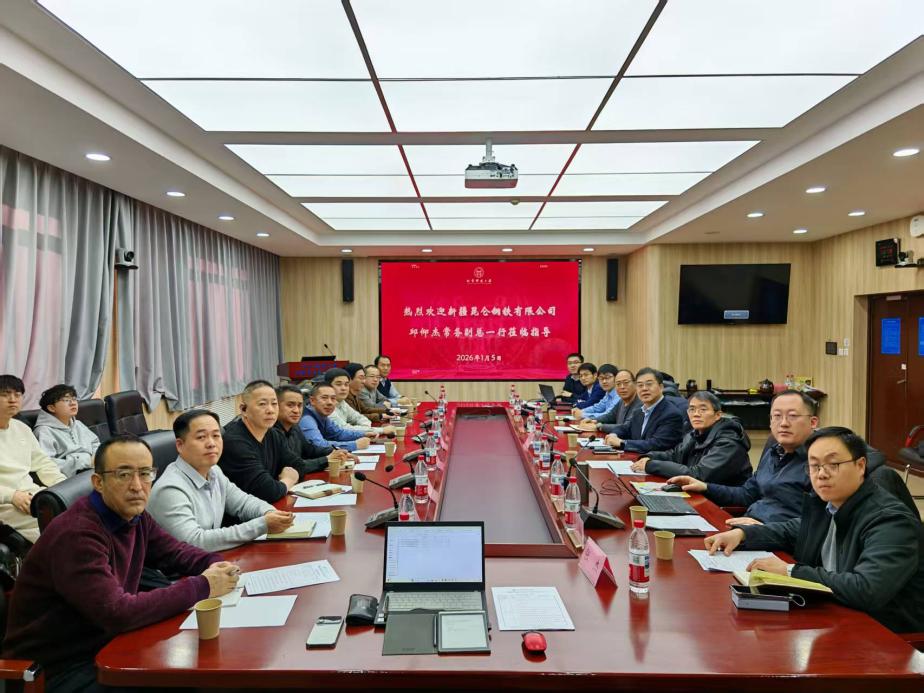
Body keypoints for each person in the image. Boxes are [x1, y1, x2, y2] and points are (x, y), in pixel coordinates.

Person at [2, 434, 240, 692]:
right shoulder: (78, 533)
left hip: (107, 644)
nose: (137, 486)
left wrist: (215, 564)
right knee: (190, 679)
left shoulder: (134, 515)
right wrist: (203, 585)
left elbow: (176, 553)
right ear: (98, 482)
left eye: (145, 474)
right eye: (123, 475)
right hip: (54, 670)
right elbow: (118, 613)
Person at [705, 427, 924, 634]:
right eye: (814, 465)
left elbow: (867, 589)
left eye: (833, 464)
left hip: (886, 633)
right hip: (834, 613)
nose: (821, 474)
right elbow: (791, 530)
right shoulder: (828, 504)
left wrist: (790, 572)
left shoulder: (891, 520)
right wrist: (743, 534)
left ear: (860, 465)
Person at [148, 409, 295, 551]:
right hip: (181, 566)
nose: (211, 443)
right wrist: (262, 525)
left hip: (212, 559)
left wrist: (269, 512)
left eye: (216, 435)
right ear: (180, 445)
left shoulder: (214, 471)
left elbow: (243, 503)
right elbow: (194, 541)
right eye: (201, 437)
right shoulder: (170, 489)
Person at [669, 390, 817, 525]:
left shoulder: (818, 463)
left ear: (813, 422)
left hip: (775, 538)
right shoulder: (774, 453)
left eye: (792, 416)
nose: (784, 423)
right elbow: (746, 494)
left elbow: (815, 525)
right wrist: (705, 487)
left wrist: (763, 529)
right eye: (777, 416)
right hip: (747, 527)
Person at [632, 391, 752, 485]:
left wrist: (651, 465)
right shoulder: (694, 434)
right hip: (699, 493)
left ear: (717, 415)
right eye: (692, 409)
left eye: (703, 409)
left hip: (723, 502)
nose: (696, 414)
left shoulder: (729, 442)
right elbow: (674, 455)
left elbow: (698, 474)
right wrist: (648, 457)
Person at [0, 375, 66, 542]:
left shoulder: (22, 428)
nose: (12, 400)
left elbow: (43, 464)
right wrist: (11, 495)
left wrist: (64, 486)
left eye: (17, 394)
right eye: (5, 394)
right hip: (5, 502)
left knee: (75, 511)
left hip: (31, 495)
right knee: (59, 526)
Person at [218, 380, 308, 503]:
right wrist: (289, 480)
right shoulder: (234, 442)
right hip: (242, 512)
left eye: (274, 403)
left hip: (269, 507)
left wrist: (281, 482)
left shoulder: (273, 434)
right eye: (262, 404)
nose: (270, 410)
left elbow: (299, 465)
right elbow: (267, 491)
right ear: (243, 409)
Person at [602, 368, 685, 454]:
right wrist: (614, 434)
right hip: (636, 458)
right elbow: (625, 428)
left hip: (655, 461)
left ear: (661, 387)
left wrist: (622, 443)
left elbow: (657, 444)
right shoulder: (639, 412)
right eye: (640, 385)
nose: (644, 389)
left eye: (649, 384)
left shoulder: (671, 414)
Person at [274, 384, 347, 473]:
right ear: (276, 406)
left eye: (299, 405)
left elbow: (310, 449)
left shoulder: (295, 427)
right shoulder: (272, 433)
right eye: (290, 405)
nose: (296, 410)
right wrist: (328, 459)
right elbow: (295, 466)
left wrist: (336, 451)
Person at [32, 383, 100, 477]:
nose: (73, 403)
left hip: (93, 468)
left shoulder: (77, 424)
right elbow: (47, 464)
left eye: (74, 399)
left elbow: (95, 443)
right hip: (71, 477)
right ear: (51, 408)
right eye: (66, 400)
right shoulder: (44, 431)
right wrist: (86, 461)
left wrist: (98, 458)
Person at [300, 383, 371, 452]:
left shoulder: (322, 415)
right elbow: (318, 445)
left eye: (333, 398)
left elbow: (338, 433)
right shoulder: (306, 419)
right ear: (312, 401)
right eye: (324, 398)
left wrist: (364, 434)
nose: (330, 402)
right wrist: (355, 445)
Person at [579, 368, 641, 432]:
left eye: (626, 383)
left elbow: (626, 427)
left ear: (635, 383)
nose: (622, 387)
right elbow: (609, 416)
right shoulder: (621, 401)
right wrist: (593, 420)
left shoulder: (640, 403)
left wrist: (599, 426)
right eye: (618, 384)